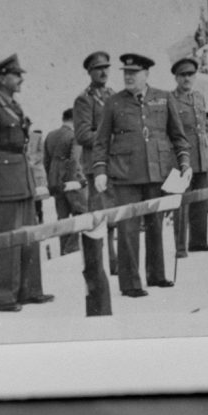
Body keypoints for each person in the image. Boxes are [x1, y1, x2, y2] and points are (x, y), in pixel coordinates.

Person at [92, 53, 191, 296]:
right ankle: (130, 284)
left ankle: (156, 275)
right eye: (125, 73)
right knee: (128, 229)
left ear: (146, 74)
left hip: (157, 172)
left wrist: (185, 163)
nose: (128, 77)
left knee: (156, 225)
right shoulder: (113, 103)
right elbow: (101, 142)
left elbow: (178, 137)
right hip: (125, 175)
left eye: (133, 73)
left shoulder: (164, 98)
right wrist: (100, 171)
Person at [0, 54, 53, 312]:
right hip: (2, 184)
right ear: (2, 78)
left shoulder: (14, 108)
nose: (20, 79)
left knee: (29, 237)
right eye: (16, 74)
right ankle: (5, 297)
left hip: (21, 180)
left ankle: (30, 290)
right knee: (5, 243)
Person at [73, 50, 118, 279]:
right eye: (98, 68)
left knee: (114, 216)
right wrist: (108, 140)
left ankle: (115, 263)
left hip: (115, 165)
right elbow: (82, 134)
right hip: (96, 165)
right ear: (90, 72)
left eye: (106, 67)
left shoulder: (113, 94)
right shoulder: (85, 99)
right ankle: (99, 266)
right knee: (99, 218)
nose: (103, 72)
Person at [169, 57, 208, 257]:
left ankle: (199, 241)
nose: (187, 79)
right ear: (176, 77)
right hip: (180, 159)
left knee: (201, 200)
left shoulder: (199, 97)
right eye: (183, 75)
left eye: (190, 74)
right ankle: (180, 247)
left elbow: (203, 129)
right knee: (179, 203)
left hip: (201, 156)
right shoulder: (169, 99)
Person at [44, 108, 87, 256]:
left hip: (54, 179)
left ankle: (64, 248)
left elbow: (46, 161)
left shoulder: (50, 135)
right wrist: (73, 180)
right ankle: (71, 247)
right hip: (70, 179)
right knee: (81, 211)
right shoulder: (75, 136)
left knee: (62, 216)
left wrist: (52, 179)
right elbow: (74, 160)